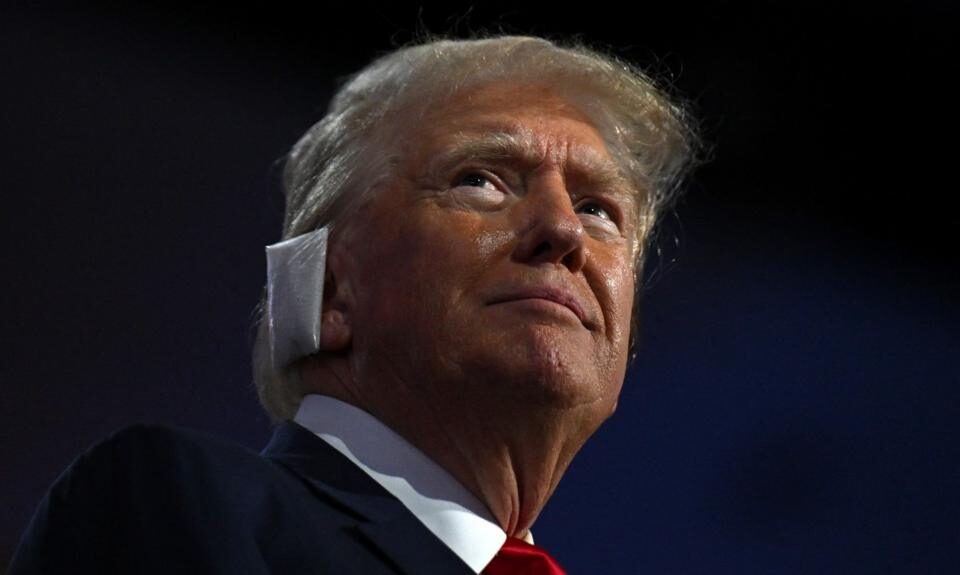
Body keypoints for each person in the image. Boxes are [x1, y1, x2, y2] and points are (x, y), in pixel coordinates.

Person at [9, 35, 699, 574]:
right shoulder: (187, 505)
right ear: (330, 290)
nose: (564, 230)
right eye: (481, 179)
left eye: (598, 208)